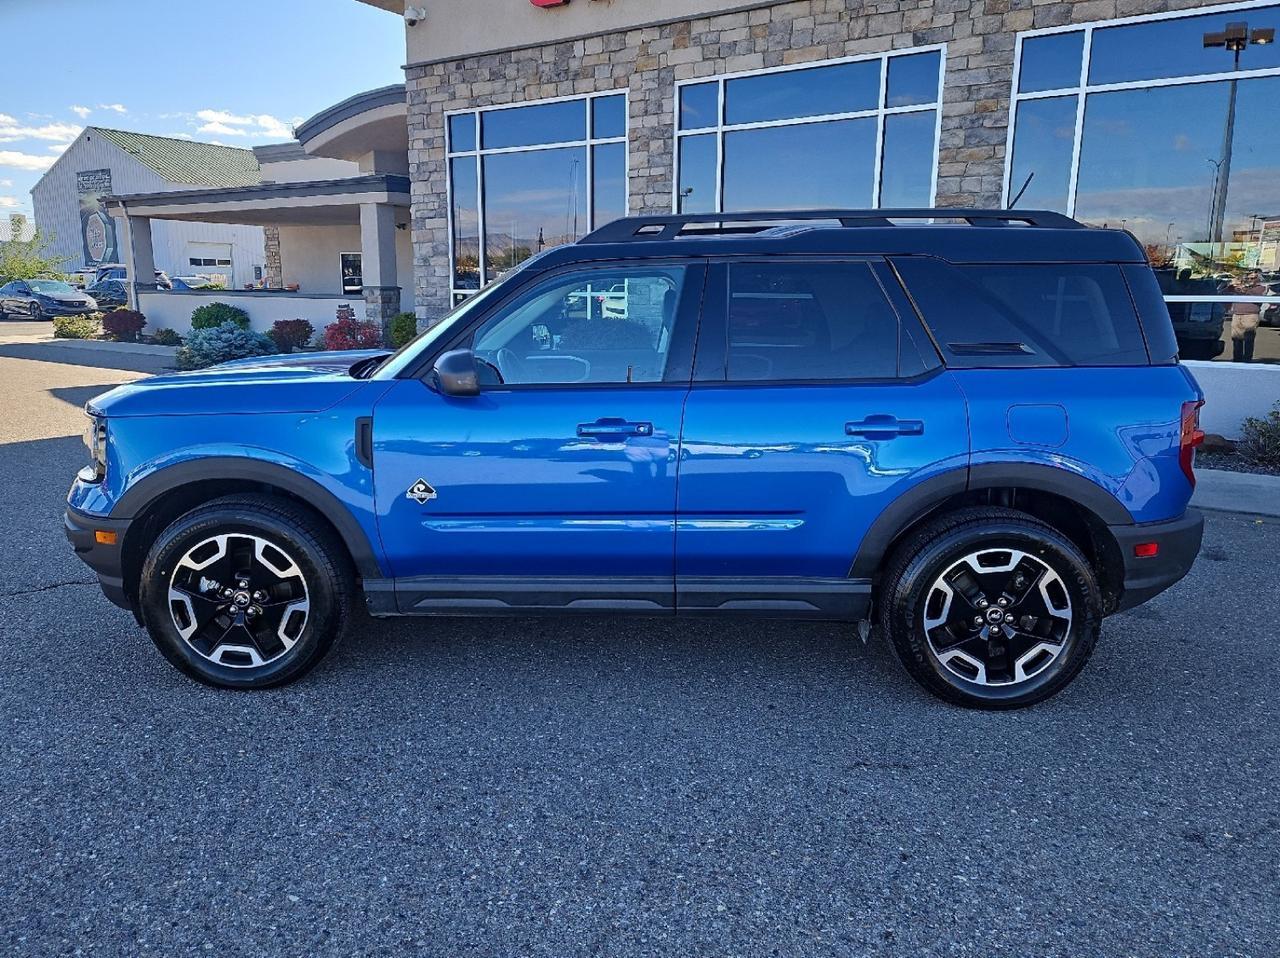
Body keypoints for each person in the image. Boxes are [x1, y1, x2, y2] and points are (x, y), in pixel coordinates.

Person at [1229, 270, 1267, 363]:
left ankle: (1247, 360)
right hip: (1237, 314)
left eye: (1253, 278)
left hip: (1251, 315)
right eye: (1248, 278)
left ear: (1258, 279)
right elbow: (1223, 291)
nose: (1250, 280)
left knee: (1248, 339)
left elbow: (1255, 295)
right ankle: (1237, 359)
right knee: (1236, 338)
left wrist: (1242, 288)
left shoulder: (1261, 288)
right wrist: (1231, 285)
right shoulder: (1239, 287)